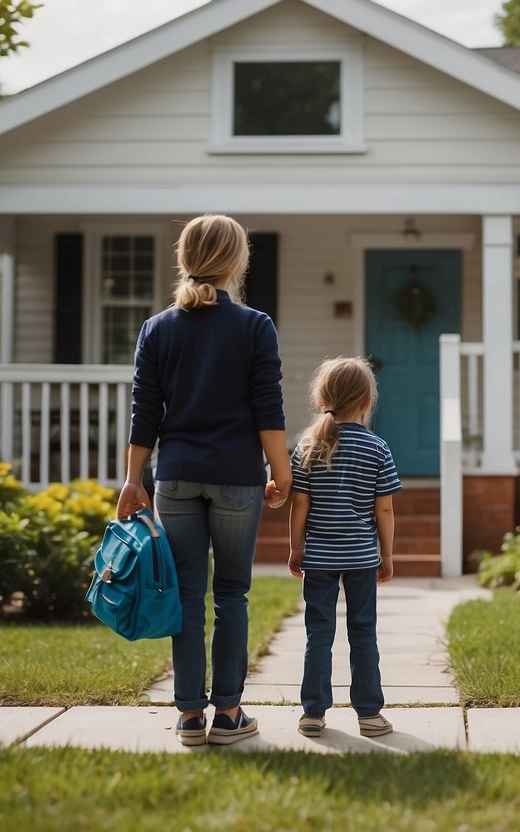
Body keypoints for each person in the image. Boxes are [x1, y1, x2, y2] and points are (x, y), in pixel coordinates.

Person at [117, 214, 290, 747]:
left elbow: (144, 411)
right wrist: (283, 474)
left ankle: (190, 715)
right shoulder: (255, 325)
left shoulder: (158, 328)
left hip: (177, 477)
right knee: (232, 594)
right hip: (238, 478)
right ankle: (230, 714)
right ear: (236, 262)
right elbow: (269, 411)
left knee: (188, 594)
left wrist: (131, 480)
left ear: (185, 258)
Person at [287, 356, 400, 739]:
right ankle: (369, 714)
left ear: (322, 399)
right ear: (367, 401)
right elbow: (383, 507)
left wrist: (295, 547)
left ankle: (313, 713)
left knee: (318, 633)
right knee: (363, 632)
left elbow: (299, 503)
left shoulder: (307, 446)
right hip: (361, 558)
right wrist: (386, 554)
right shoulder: (378, 449)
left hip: (318, 557)